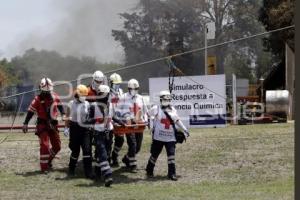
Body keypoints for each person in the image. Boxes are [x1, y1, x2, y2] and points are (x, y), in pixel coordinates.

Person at [22, 77, 65, 173]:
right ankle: (44, 167)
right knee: (45, 146)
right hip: (42, 125)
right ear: (41, 89)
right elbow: (30, 112)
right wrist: (25, 123)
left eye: (49, 91)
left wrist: (64, 115)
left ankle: (48, 160)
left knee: (57, 146)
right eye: (45, 91)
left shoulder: (55, 96)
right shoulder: (37, 99)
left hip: (53, 125)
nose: (47, 93)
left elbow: (61, 107)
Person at [146, 90, 189, 181]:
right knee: (154, 155)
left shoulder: (173, 110)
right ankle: (149, 170)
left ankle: (172, 174)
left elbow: (177, 121)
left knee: (171, 156)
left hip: (170, 138)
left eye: (168, 99)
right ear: (161, 100)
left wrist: (185, 129)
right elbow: (147, 114)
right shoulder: (156, 108)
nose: (166, 101)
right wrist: (150, 123)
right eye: (164, 99)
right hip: (158, 137)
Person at [64, 84, 94, 179]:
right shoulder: (71, 104)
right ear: (77, 94)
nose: (84, 97)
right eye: (82, 95)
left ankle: (88, 172)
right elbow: (67, 116)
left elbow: (89, 116)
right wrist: (66, 128)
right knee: (75, 151)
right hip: (74, 128)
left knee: (87, 150)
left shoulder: (87, 104)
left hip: (85, 129)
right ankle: (71, 169)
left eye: (85, 95)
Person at [118, 79, 148, 172]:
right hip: (129, 124)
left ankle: (127, 158)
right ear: (128, 88)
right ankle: (133, 164)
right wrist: (126, 117)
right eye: (132, 88)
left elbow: (145, 111)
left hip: (139, 124)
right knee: (132, 144)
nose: (134, 90)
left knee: (138, 147)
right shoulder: (123, 97)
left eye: (136, 88)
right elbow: (118, 111)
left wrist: (146, 120)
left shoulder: (141, 98)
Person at [86, 84, 113, 187]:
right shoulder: (93, 106)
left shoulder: (111, 105)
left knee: (104, 155)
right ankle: (108, 175)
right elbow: (87, 120)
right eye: (103, 95)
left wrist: (121, 123)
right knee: (103, 154)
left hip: (109, 132)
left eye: (106, 95)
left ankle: (98, 172)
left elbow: (112, 117)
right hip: (98, 133)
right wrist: (96, 120)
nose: (105, 97)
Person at [108, 73, 125, 167]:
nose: (117, 86)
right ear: (111, 83)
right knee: (108, 140)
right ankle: (107, 157)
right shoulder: (107, 92)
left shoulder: (121, 92)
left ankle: (115, 155)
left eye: (119, 84)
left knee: (120, 140)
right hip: (110, 119)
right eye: (115, 84)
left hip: (119, 119)